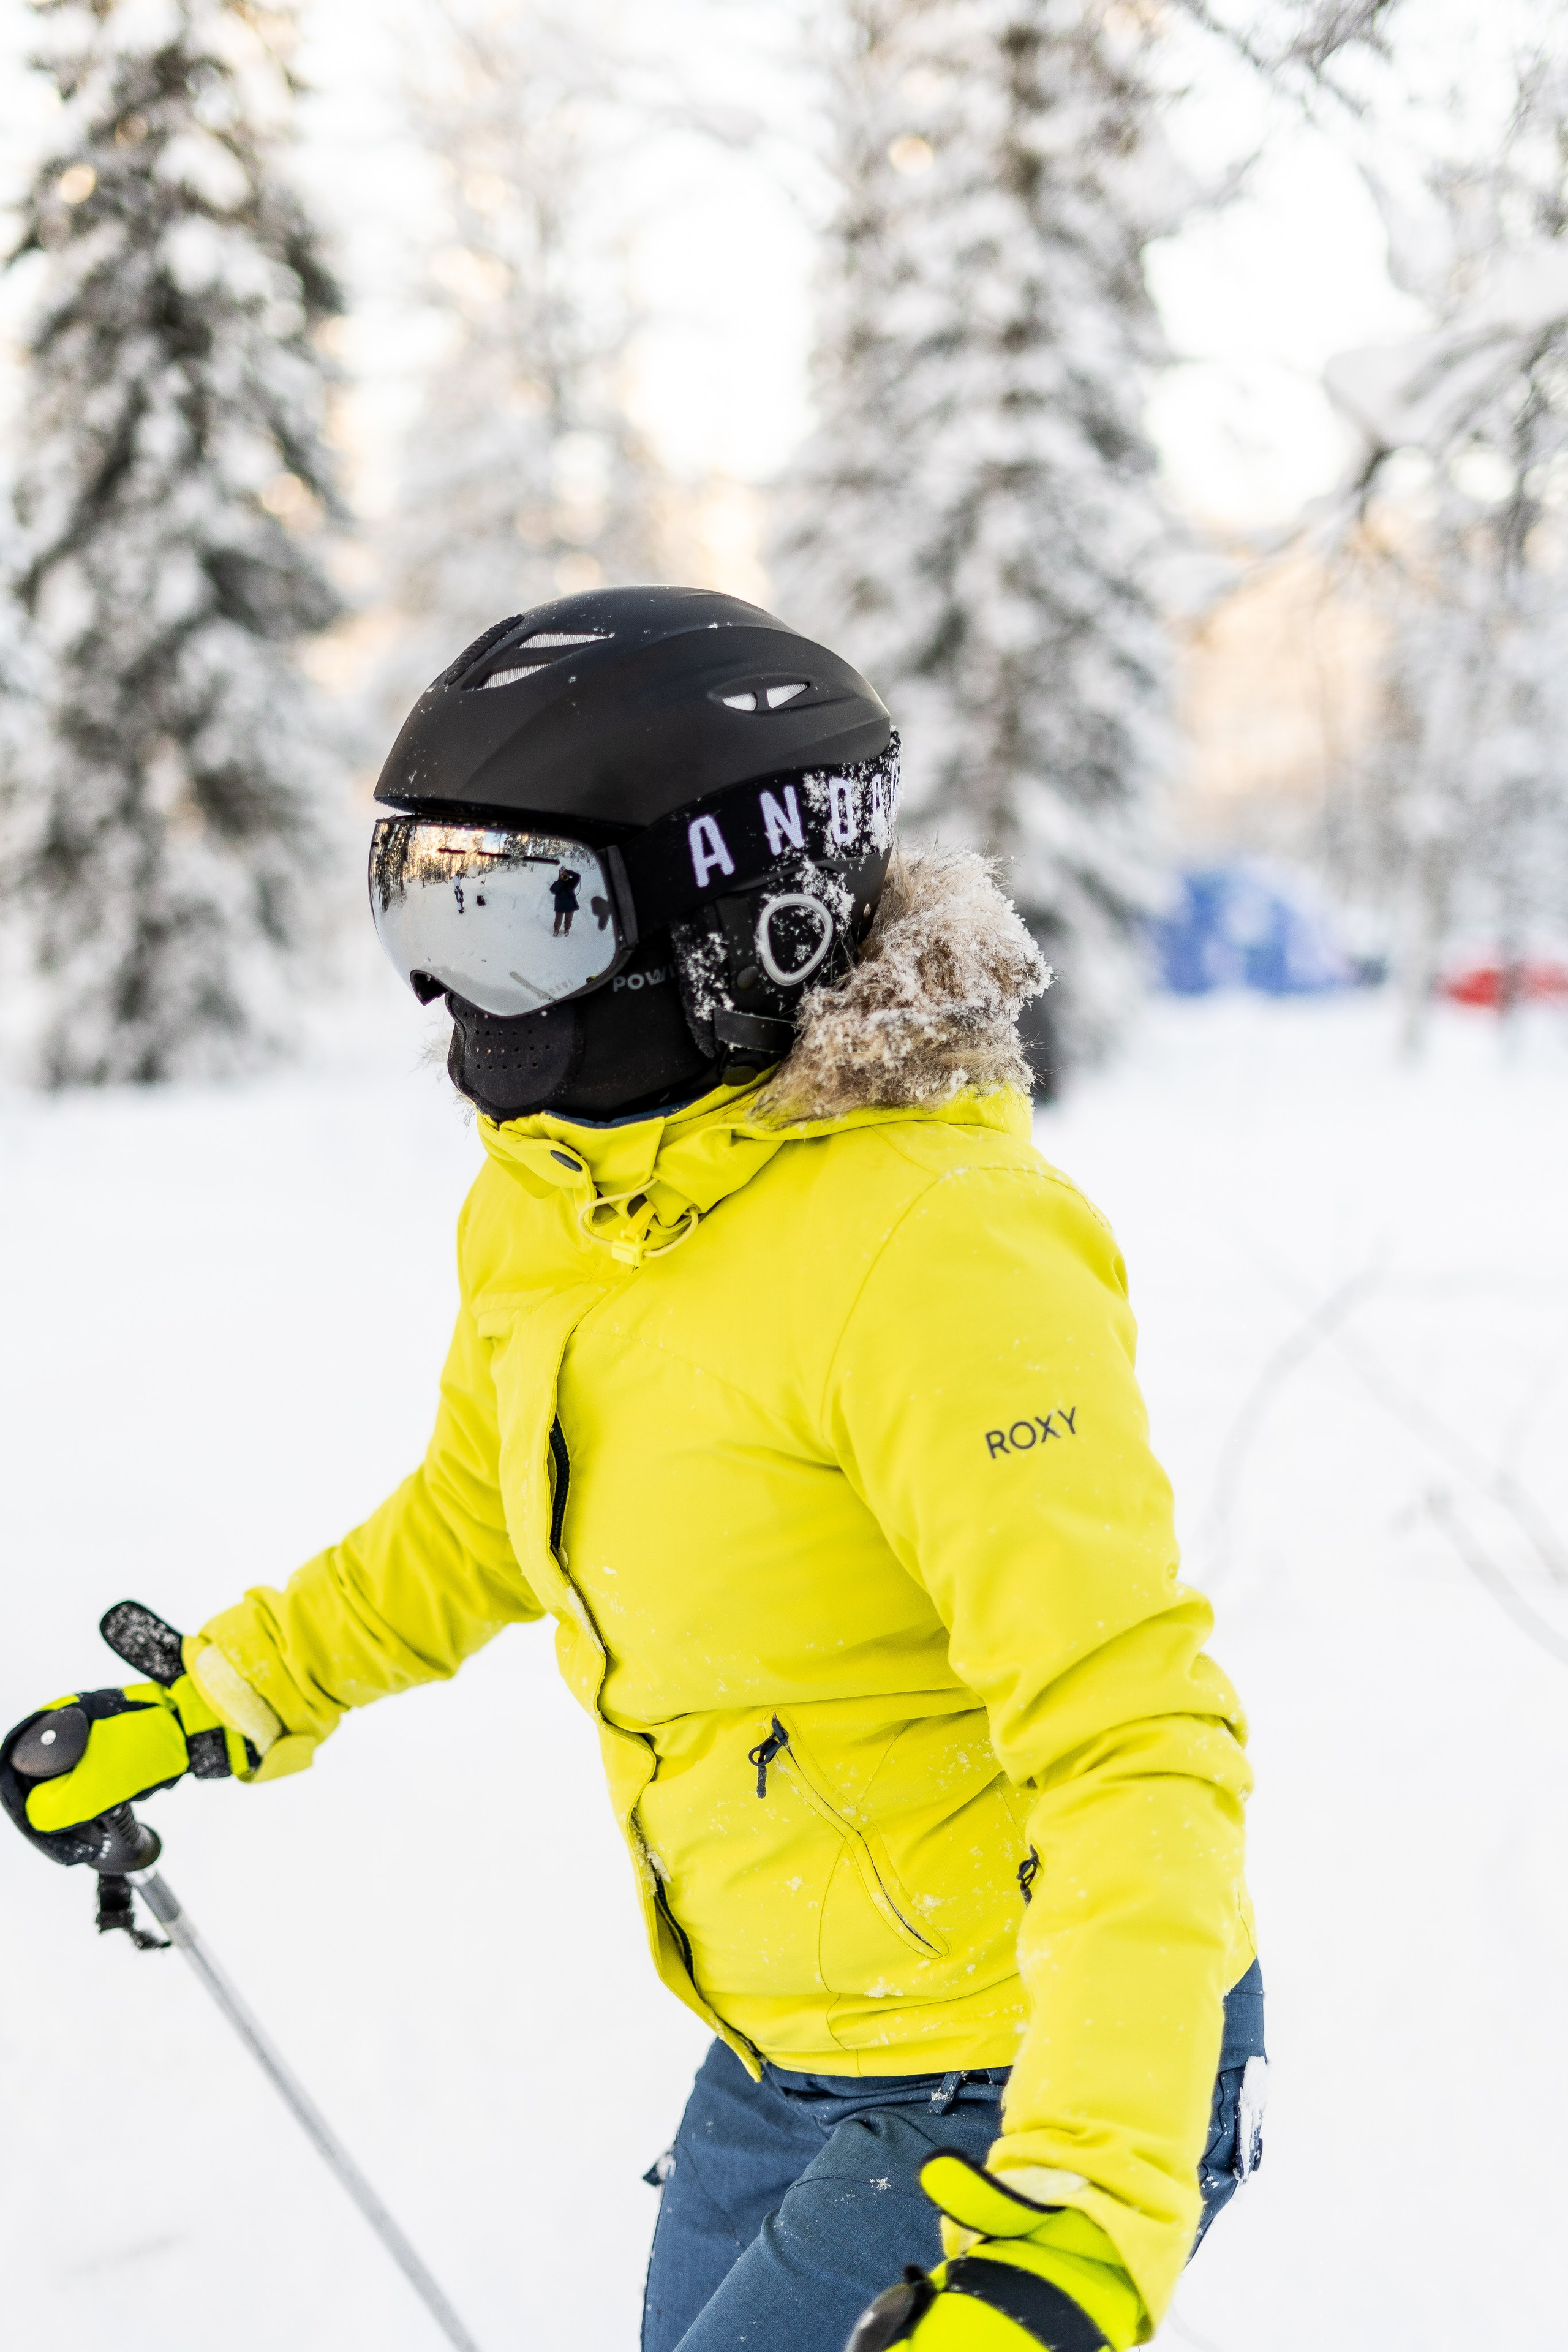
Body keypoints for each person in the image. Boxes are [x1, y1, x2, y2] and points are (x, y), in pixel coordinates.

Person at [2, 587, 1263, 2352]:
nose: (459, 997)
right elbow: (482, 1516)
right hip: (779, 2048)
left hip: (1021, 2066)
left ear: (753, 923)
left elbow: (1133, 1734)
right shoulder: (564, 1199)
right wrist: (222, 1694)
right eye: (425, 915)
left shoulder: (938, 1252)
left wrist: (1092, 2206)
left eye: (524, 922)